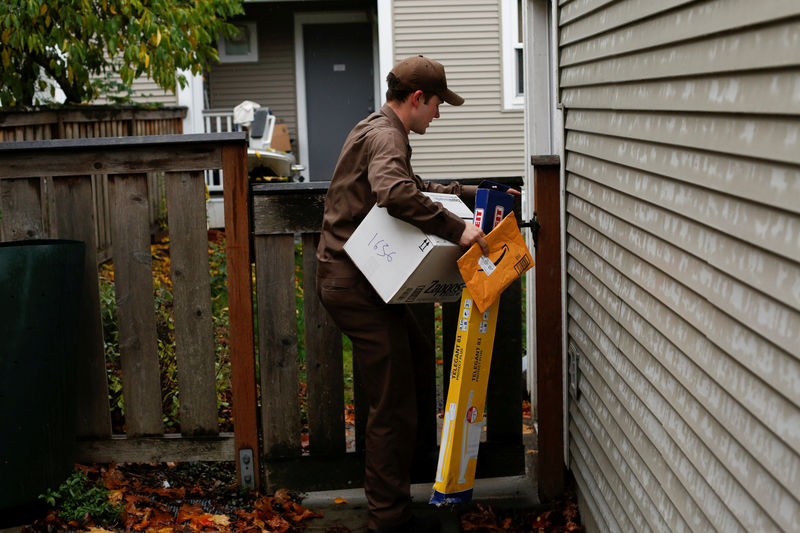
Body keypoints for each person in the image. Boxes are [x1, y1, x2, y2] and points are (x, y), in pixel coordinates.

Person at [316, 55, 491, 533]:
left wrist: (470, 193)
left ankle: (398, 497)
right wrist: (458, 229)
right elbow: (394, 192)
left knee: (413, 367)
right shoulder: (386, 136)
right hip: (353, 283)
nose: (438, 114)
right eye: (437, 104)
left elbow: (413, 187)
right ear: (417, 98)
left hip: (365, 280)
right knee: (392, 403)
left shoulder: (378, 129)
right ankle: (389, 520)